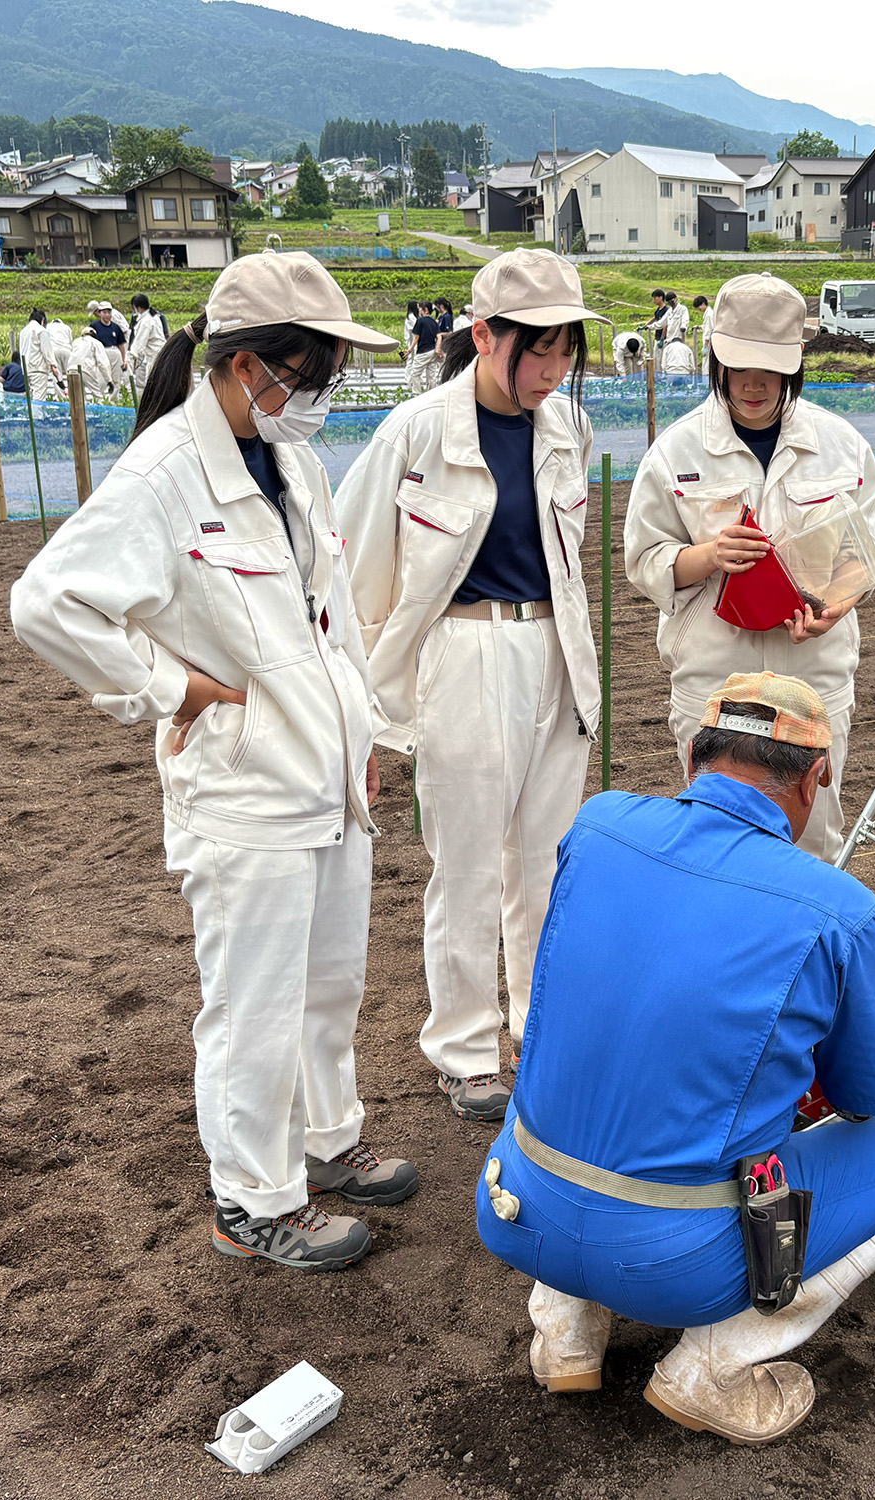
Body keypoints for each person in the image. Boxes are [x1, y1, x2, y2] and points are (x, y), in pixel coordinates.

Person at [9, 249, 411, 1271]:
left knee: (328, 985)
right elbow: (47, 603)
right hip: (243, 791)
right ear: (245, 365)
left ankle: (326, 1140)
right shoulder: (163, 474)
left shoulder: (291, 461)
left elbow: (328, 619)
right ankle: (251, 1197)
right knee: (254, 1007)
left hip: (324, 775)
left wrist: (361, 734)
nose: (321, 395)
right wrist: (168, 688)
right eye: (309, 373)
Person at [476, 673, 875, 1442]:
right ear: (816, 780)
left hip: (515, 1205)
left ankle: (565, 1334)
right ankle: (712, 1368)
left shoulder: (596, 826)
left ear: (693, 755)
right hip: (675, 1266)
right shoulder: (839, 909)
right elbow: (872, 1098)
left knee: (592, 1077)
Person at [335, 247, 607, 1123]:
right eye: (539, 350)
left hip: (553, 649)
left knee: (547, 862)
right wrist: (365, 705)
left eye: (565, 351)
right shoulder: (415, 432)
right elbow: (355, 571)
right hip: (462, 652)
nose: (553, 371)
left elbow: (568, 562)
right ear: (485, 336)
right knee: (467, 865)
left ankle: (538, 1028)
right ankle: (464, 1049)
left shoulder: (568, 428)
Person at [624, 272, 875, 861]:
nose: (753, 383)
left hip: (814, 677)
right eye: (739, 365)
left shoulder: (842, 446)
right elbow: (643, 560)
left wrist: (836, 606)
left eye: (771, 367)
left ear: (796, 362)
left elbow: (866, 556)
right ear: (715, 358)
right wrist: (709, 555)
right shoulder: (677, 451)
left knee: (811, 847)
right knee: (712, 851)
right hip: (715, 682)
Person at [19, 307, 62, 402]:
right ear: (43, 320)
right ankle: (37, 413)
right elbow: (47, 351)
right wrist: (53, 365)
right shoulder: (41, 331)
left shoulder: (23, 332)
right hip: (38, 369)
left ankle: (32, 412)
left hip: (26, 369)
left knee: (30, 397)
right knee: (39, 398)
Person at [127, 293, 168, 390]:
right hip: (159, 353)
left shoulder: (146, 321)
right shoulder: (154, 316)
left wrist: (129, 357)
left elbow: (139, 342)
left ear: (138, 308)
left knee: (152, 384)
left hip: (155, 356)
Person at [68, 324, 115, 403]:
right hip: (86, 369)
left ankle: (80, 410)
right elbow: (102, 363)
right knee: (97, 394)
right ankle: (101, 409)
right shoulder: (96, 343)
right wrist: (109, 380)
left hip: (71, 368)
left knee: (77, 397)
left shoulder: (76, 341)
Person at [404, 302, 441, 395]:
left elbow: (416, 337)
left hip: (423, 352)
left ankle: (417, 394)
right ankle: (432, 394)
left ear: (426, 309)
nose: (419, 310)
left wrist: (409, 350)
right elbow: (439, 336)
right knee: (431, 376)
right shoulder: (434, 321)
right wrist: (437, 349)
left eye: (420, 308)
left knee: (415, 374)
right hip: (432, 351)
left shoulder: (420, 321)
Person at [90, 302, 129, 389]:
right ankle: (101, 396)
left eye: (109, 312)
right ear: (100, 313)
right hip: (102, 352)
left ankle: (114, 397)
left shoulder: (116, 327)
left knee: (116, 379)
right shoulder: (94, 326)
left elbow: (121, 345)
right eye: (104, 312)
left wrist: (123, 360)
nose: (107, 315)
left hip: (115, 352)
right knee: (101, 379)